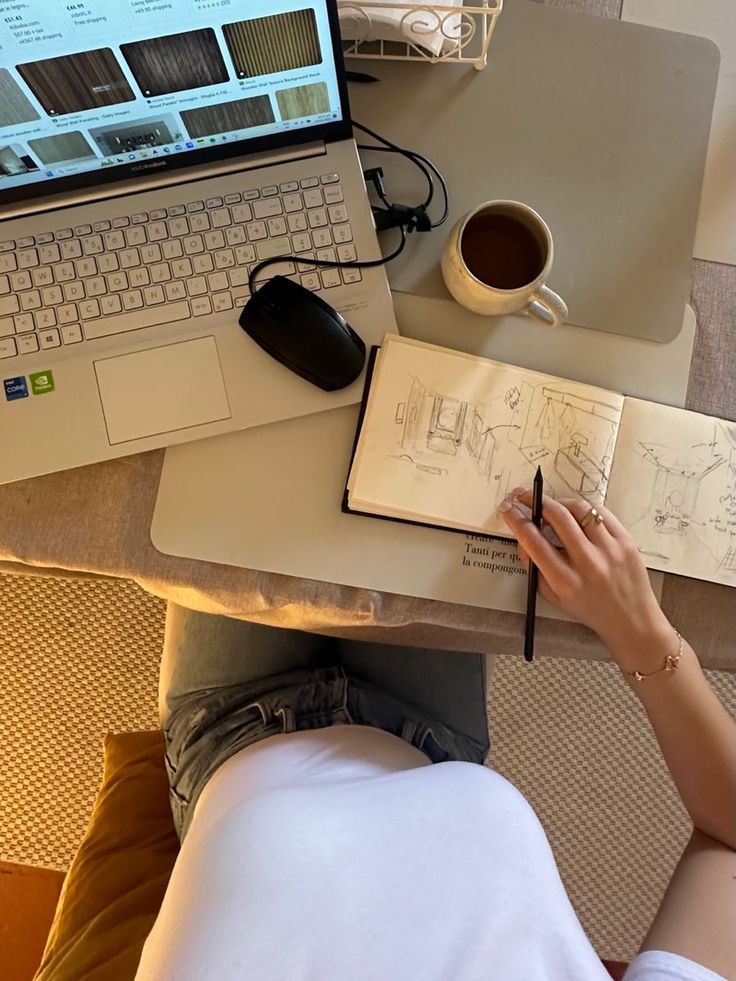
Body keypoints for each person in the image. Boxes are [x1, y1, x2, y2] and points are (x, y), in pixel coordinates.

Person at [135, 492, 735, 981]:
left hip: (231, 732)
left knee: (237, 456)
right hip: (425, 739)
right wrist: (637, 628)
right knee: (449, 470)